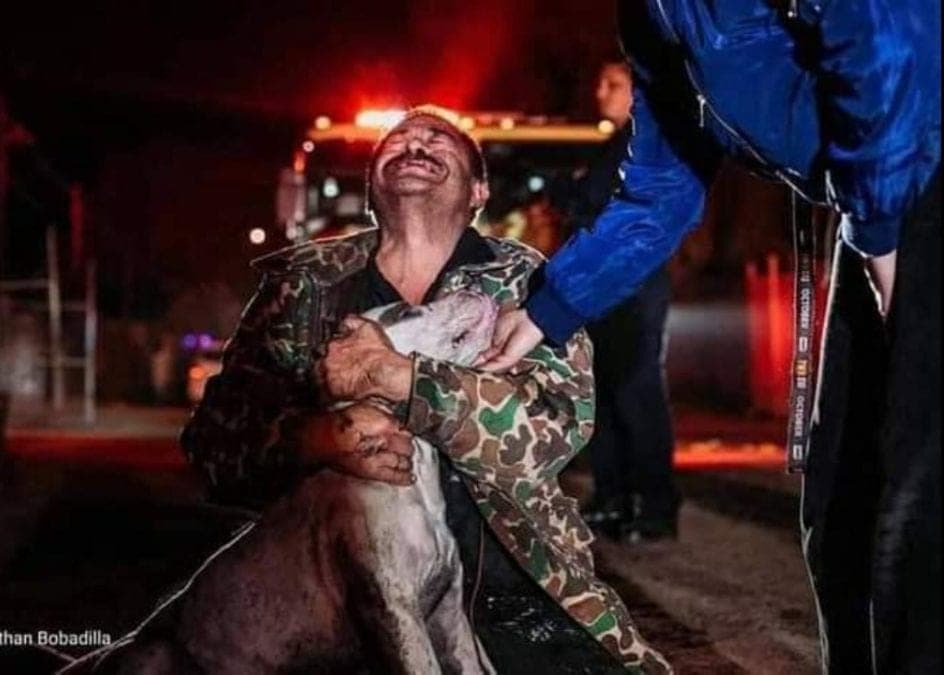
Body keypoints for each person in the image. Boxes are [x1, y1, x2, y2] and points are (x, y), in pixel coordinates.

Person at [479, 4, 940, 673]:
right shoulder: (653, 20)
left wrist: (879, 231)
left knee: (917, 499)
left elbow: (886, 39)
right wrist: (547, 308)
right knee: (840, 500)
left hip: (912, 171)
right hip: (876, 208)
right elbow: (661, 187)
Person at [181, 106, 671, 673]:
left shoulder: (529, 282)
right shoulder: (304, 286)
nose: (415, 145)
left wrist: (402, 380)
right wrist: (317, 438)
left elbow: (555, 427)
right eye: (398, 142)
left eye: (438, 141)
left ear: (479, 191)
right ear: (370, 189)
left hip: (513, 597)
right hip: (326, 607)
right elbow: (214, 446)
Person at [558, 58, 679, 542]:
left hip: (633, 284)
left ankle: (654, 504)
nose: (601, 92)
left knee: (635, 392)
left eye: (614, 84)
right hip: (602, 285)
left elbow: (629, 214)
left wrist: (575, 198)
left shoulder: (648, 144)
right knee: (605, 391)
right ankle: (612, 496)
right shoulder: (616, 144)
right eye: (600, 83)